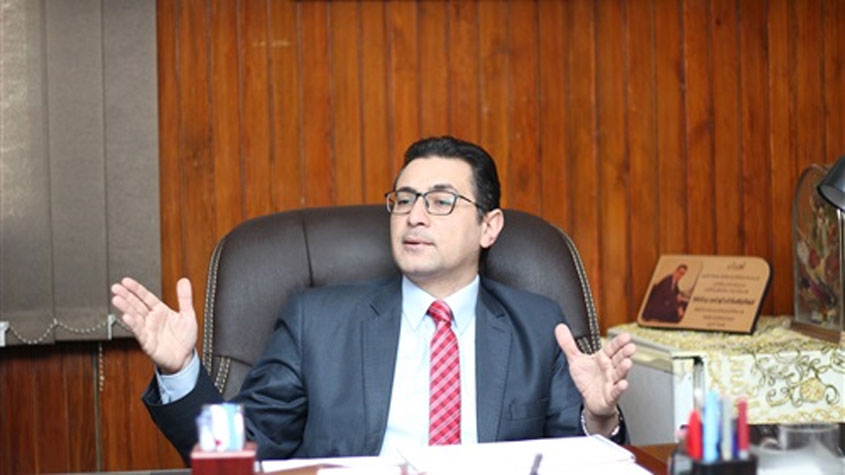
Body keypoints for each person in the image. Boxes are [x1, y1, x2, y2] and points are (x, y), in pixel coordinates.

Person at [111, 136, 636, 463]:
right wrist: (181, 371)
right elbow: (241, 451)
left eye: (440, 201)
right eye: (404, 200)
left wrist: (599, 420)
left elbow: (578, 460)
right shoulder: (316, 322)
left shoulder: (537, 325)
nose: (414, 216)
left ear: (489, 226)